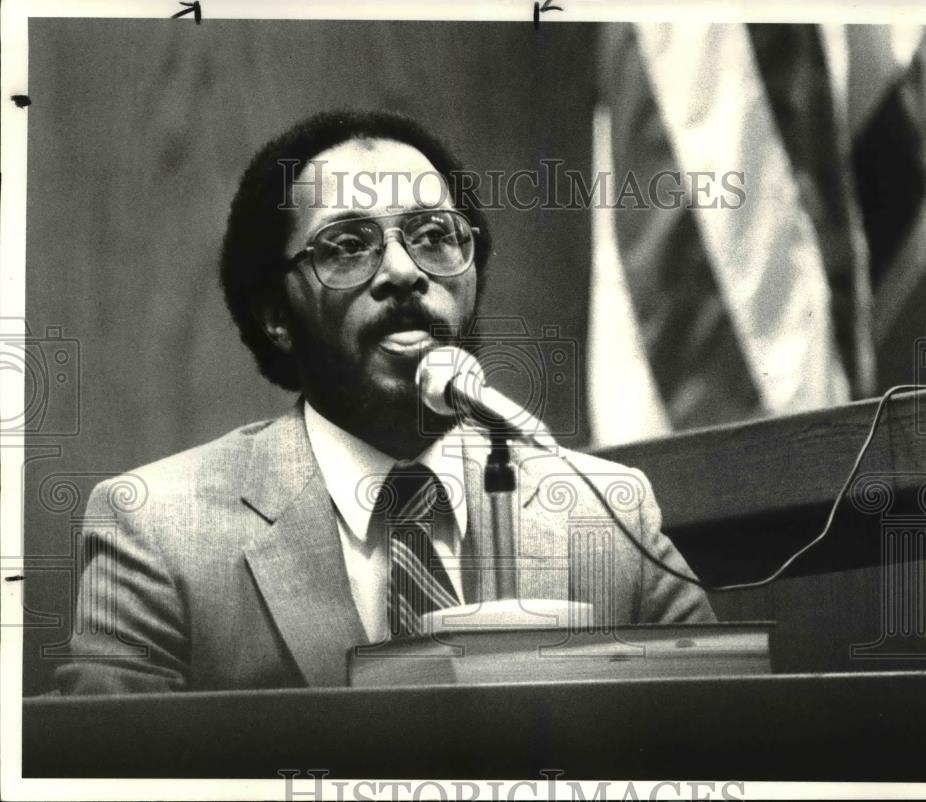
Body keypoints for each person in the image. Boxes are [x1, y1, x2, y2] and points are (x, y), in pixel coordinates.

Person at [55, 110, 715, 695]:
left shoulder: (607, 511)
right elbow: (105, 774)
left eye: (434, 236)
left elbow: (722, 737)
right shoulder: (158, 529)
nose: (404, 273)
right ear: (276, 315)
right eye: (347, 246)